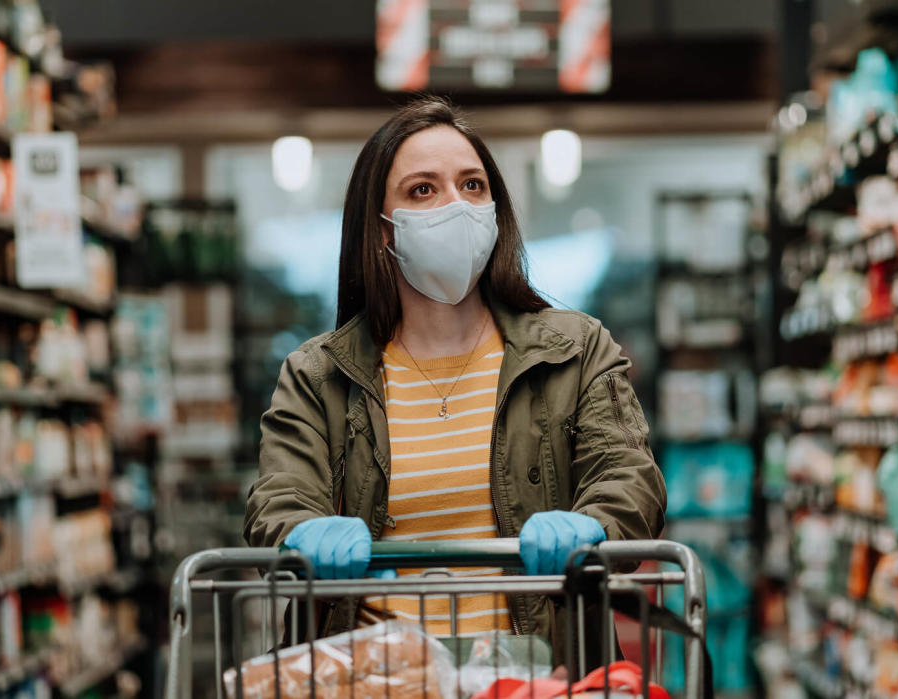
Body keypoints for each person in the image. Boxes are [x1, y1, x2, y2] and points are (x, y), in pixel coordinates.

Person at [243, 96, 665, 652]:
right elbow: (280, 495)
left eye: (472, 186)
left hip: (533, 677)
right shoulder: (317, 376)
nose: (457, 206)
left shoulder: (576, 351)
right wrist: (302, 529)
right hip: (380, 681)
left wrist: (595, 524)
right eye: (423, 190)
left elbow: (629, 477)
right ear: (383, 230)